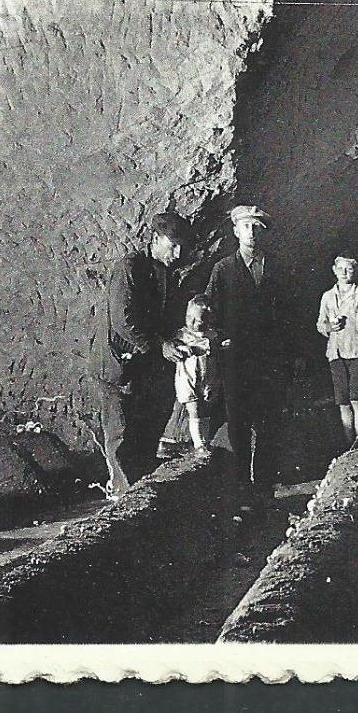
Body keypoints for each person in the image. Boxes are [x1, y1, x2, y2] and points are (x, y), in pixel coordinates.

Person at [99, 209, 196, 496]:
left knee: (144, 440)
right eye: (172, 244)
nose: (177, 253)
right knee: (121, 439)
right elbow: (124, 320)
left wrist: (180, 334)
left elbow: (164, 318)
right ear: (155, 239)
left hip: (142, 369)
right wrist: (161, 345)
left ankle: (139, 500)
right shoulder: (130, 268)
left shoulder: (165, 274)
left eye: (182, 247)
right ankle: (123, 501)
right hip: (118, 368)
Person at [203, 204, 287, 501]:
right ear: (235, 231)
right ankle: (240, 486)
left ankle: (264, 487)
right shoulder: (223, 269)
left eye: (256, 227)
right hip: (236, 360)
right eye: (246, 226)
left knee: (269, 423)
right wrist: (221, 339)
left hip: (269, 360)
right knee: (238, 422)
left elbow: (291, 312)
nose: (251, 232)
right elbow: (209, 311)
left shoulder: (276, 266)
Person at [316, 255, 358, 445]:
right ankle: (348, 443)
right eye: (340, 268)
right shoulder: (327, 296)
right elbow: (320, 323)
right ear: (334, 270)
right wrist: (328, 328)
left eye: (348, 269)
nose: (344, 272)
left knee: (356, 398)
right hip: (336, 353)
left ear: (354, 271)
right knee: (342, 401)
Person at [170, 295, 230, 456]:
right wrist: (182, 348)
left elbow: (219, 346)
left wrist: (223, 345)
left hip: (208, 378)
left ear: (208, 320)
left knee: (205, 411)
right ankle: (199, 444)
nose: (192, 322)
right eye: (189, 317)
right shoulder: (182, 334)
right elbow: (174, 345)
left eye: (199, 320)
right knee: (194, 410)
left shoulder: (212, 335)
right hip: (188, 379)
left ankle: (205, 441)